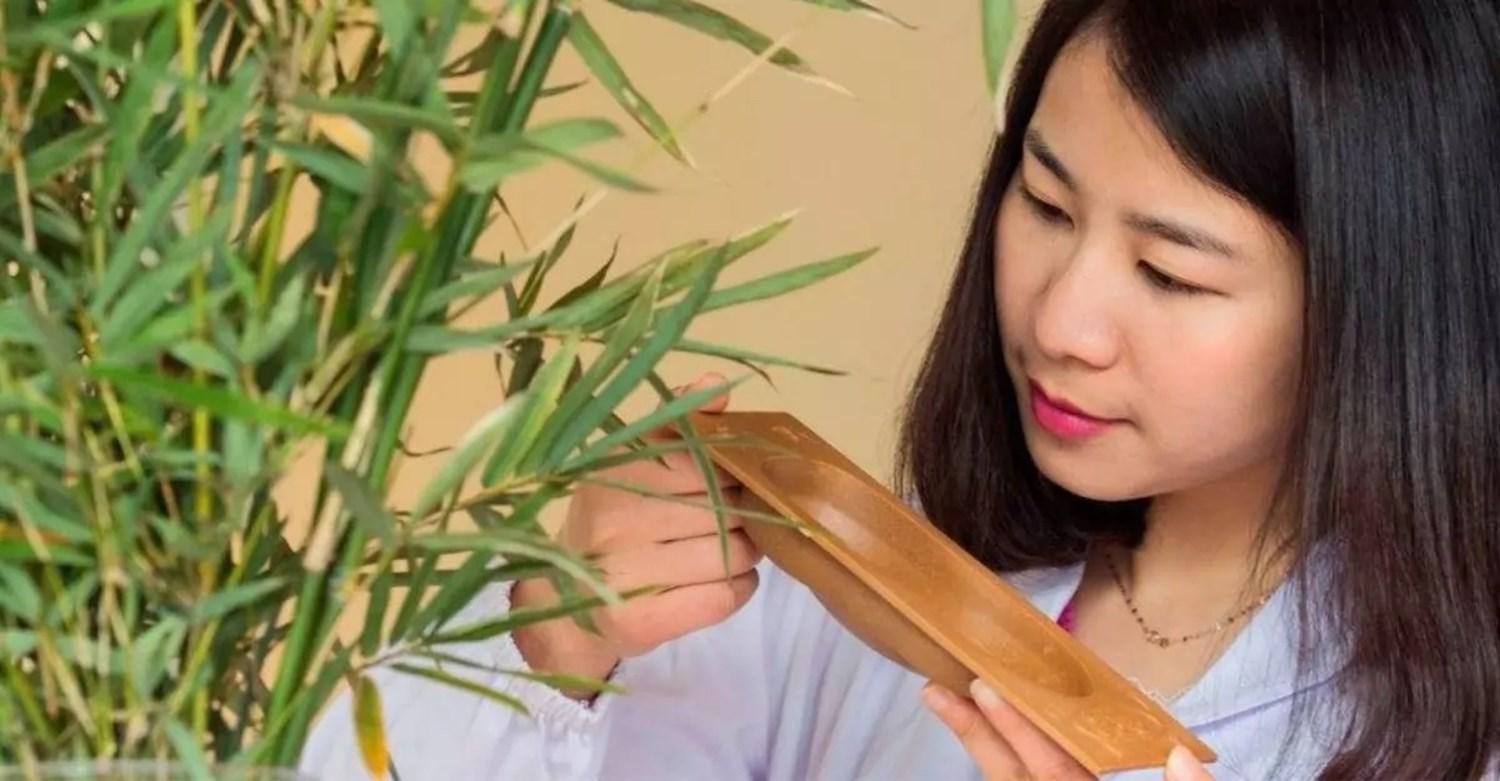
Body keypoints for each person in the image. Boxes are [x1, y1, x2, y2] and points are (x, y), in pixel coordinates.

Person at [301, 0, 1500, 778]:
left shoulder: (1456, 721)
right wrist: (558, 631)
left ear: (1380, 306)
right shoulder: (845, 592)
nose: (1062, 321)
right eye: (1043, 203)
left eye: (1169, 271)